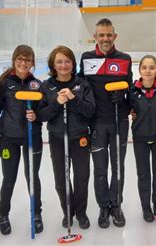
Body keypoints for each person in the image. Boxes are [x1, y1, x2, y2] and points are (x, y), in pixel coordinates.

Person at [78, 18, 132, 228]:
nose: (105, 39)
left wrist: (124, 97)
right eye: (101, 35)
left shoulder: (125, 59)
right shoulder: (87, 58)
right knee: (100, 169)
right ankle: (103, 206)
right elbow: (81, 84)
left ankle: (116, 205)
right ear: (95, 37)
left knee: (118, 168)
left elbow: (129, 87)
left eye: (109, 35)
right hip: (97, 124)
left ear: (115, 36)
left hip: (119, 122)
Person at [37, 45, 95, 229]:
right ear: (53, 65)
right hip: (57, 138)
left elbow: (90, 111)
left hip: (80, 137)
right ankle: (67, 211)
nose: (64, 65)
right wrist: (57, 102)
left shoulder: (82, 84)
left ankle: (80, 212)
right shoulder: (46, 86)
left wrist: (73, 98)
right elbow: (42, 115)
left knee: (82, 177)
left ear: (73, 63)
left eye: (67, 61)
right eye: (59, 62)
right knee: (61, 179)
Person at [0, 45, 43, 235]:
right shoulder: (3, 83)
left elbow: (43, 111)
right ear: (14, 60)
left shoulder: (37, 84)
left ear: (32, 63)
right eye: (20, 59)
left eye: (27, 60)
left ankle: (36, 214)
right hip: (9, 139)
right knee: (9, 178)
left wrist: (36, 116)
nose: (23, 63)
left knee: (32, 177)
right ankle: (3, 214)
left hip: (32, 138)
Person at [129, 55, 156, 223]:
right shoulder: (132, 90)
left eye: (152, 67)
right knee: (143, 174)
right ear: (139, 70)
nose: (148, 71)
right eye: (144, 67)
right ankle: (146, 206)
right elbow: (126, 107)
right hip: (140, 138)